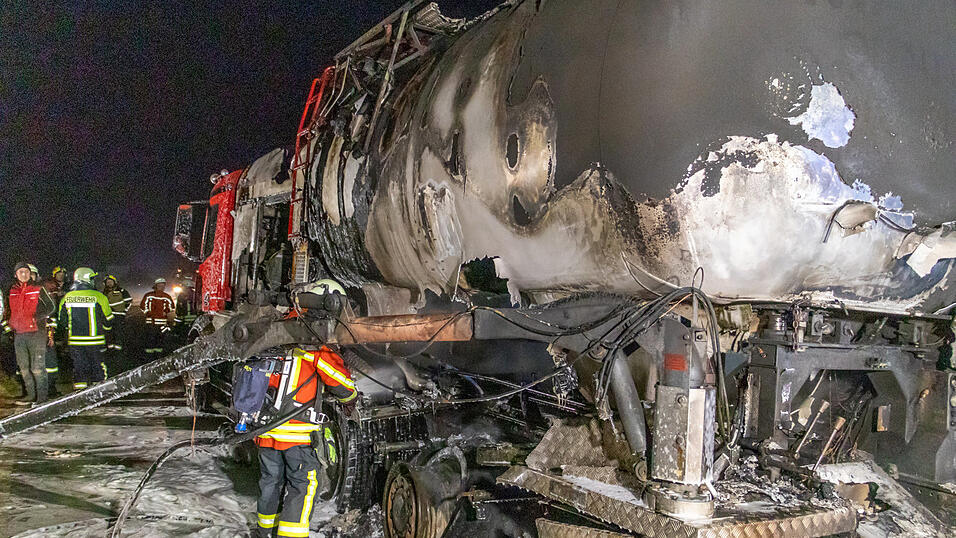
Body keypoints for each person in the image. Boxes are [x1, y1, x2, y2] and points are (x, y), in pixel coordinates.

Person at [254, 346, 357, 538]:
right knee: (304, 485)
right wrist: (351, 397)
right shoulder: (311, 345)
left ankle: (265, 532)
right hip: (296, 434)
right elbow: (339, 382)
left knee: (270, 481)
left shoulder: (269, 341)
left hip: (265, 431)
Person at [1, 262, 56, 404]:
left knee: (37, 368)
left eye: (26, 271)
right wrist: (10, 324)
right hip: (19, 334)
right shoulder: (12, 290)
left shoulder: (38, 288)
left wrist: (34, 318)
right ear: (15, 275)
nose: (24, 274)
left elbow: (51, 307)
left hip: (36, 333)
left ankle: (42, 398)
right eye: (21, 272)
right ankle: (30, 395)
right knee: (24, 368)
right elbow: (7, 310)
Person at [58, 267, 113, 390]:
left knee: (79, 368)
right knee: (97, 366)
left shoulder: (67, 297)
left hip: (75, 342)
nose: (94, 281)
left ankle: (80, 395)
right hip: (95, 341)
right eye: (92, 278)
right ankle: (98, 393)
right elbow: (108, 319)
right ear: (87, 279)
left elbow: (62, 321)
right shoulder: (99, 297)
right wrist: (107, 330)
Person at [102, 275, 132, 371]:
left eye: (110, 281)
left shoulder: (122, 291)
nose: (109, 283)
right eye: (107, 282)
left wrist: (124, 312)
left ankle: (118, 353)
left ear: (114, 282)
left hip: (119, 316)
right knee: (109, 333)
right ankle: (110, 351)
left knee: (119, 333)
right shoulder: (104, 292)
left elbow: (128, 301)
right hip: (108, 317)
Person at [141, 278, 175, 359]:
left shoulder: (167, 296)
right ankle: (149, 357)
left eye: (163, 285)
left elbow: (172, 307)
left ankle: (158, 357)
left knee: (160, 340)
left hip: (162, 322)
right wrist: (148, 313)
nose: (161, 287)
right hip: (151, 322)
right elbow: (142, 306)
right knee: (150, 339)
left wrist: (166, 311)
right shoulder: (148, 295)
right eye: (159, 285)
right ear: (156, 286)